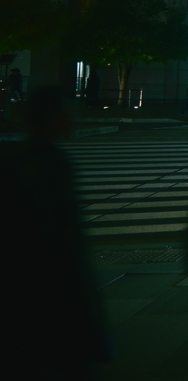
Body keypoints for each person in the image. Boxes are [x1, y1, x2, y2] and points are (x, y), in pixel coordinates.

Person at [1, 86, 111, 379]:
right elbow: (65, 229)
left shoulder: (12, 158)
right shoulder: (53, 162)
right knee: (67, 359)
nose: (70, 119)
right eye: (64, 113)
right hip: (51, 278)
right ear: (52, 118)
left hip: (17, 278)